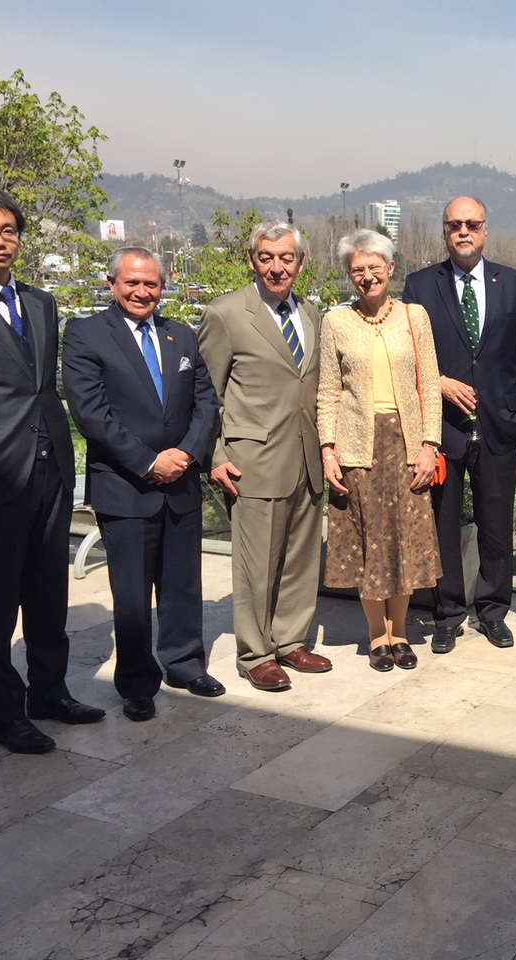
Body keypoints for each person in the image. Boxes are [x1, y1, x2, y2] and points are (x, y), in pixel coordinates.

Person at [0, 187, 104, 753]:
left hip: (51, 464)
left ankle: (50, 691)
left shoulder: (41, 303)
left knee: (47, 589)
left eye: (8, 230)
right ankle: (3, 715)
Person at [61, 247, 222, 722]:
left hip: (181, 482)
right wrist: (150, 461)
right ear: (112, 284)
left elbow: (206, 404)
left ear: (162, 285)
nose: (141, 292)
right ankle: (136, 683)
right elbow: (91, 413)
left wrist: (187, 454)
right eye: (131, 283)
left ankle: (185, 665)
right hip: (126, 486)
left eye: (151, 283)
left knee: (182, 584)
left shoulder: (181, 336)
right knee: (131, 592)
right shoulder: (87, 334)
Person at [401, 197, 516, 653]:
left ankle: (493, 610)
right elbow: (405, 358)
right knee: (442, 525)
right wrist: (438, 382)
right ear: (444, 231)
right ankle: (448, 613)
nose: (464, 231)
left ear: (485, 229)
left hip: (499, 427)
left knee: (496, 527)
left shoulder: (515, 285)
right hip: (441, 431)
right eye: (455, 224)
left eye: (472, 224)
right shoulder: (421, 286)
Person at [197, 220, 332, 691]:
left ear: (300, 263)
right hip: (252, 460)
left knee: (299, 556)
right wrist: (213, 454)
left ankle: (291, 639)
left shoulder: (311, 314)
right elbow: (206, 395)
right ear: (252, 260)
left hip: (307, 456)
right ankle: (256, 654)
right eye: (267, 258)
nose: (277, 267)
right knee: (256, 565)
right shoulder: (226, 313)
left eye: (287, 258)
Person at [318, 230, 442, 671]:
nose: (367, 276)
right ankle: (377, 636)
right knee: (371, 541)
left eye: (375, 268)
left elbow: (429, 383)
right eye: (358, 270)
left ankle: (402, 633)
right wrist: (328, 451)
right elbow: (329, 392)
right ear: (349, 275)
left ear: (391, 269)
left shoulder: (414, 316)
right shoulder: (336, 322)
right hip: (357, 447)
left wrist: (429, 445)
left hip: (407, 444)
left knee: (405, 542)